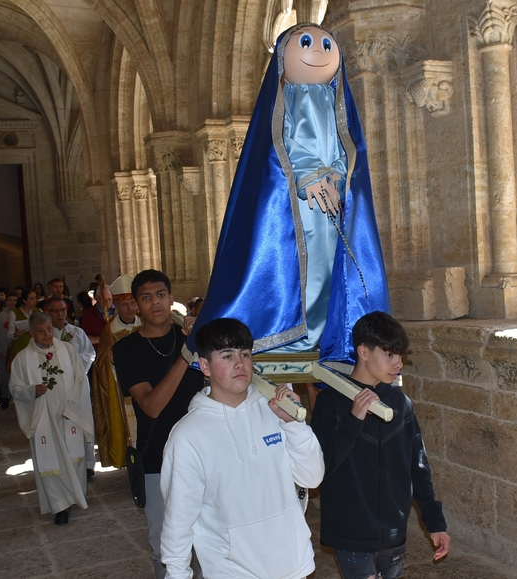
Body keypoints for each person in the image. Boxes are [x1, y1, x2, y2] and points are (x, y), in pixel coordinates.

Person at [184, 23, 390, 366]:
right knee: (303, 265)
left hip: (332, 199)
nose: (319, 50)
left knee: (330, 264)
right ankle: (296, 330)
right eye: (306, 42)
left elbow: (349, 147)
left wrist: (339, 175)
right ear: (283, 55)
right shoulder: (286, 98)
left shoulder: (336, 101)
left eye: (327, 44)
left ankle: (325, 330)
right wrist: (309, 174)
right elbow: (279, 141)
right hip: (298, 202)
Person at [160, 318, 324, 579]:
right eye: (227, 356)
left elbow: (312, 477)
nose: (240, 364)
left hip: (293, 566)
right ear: (205, 366)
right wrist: (177, 573)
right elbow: (178, 520)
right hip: (231, 572)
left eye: (245, 354)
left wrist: (294, 425)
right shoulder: (187, 436)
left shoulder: (276, 410)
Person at [311, 311, 450, 578]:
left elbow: (418, 468)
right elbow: (320, 469)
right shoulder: (331, 402)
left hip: (394, 533)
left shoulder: (400, 404)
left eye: (400, 355)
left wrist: (435, 523)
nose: (398, 363)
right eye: (389, 354)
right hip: (351, 535)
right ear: (363, 352)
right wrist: (354, 420)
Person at [112, 269, 205, 579]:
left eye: (161, 295)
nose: (155, 303)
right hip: (157, 457)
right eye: (146, 297)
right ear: (136, 305)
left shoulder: (192, 339)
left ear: (171, 298)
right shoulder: (126, 349)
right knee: (166, 543)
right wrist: (185, 355)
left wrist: (199, 340)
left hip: (203, 453)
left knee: (209, 537)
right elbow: (151, 406)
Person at [9, 312, 94, 525]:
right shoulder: (22, 359)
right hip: (43, 419)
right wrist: (32, 391)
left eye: (49, 329)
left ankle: (74, 496)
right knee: (51, 460)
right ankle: (60, 506)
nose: (47, 334)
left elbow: (81, 381)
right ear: (31, 333)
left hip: (68, 413)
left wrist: (74, 408)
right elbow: (16, 389)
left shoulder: (68, 350)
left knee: (72, 457)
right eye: (41, 331)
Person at [46, 295, 98, 480]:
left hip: (78, 384)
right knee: (61, 425)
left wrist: (72, 366)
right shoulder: (45, 335)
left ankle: (88, 464)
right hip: (56, 388)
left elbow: (89, 354)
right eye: (55, 311)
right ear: (48, 313)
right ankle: (65, 462)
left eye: (63, 310)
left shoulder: (77, 332)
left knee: (82, 422)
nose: (60, 314)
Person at [0, 291, 19, 409]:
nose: (13, 302)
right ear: (6, 302)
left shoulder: (20, 315)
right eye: (10, 300)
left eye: (15, 300)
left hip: (18, 351)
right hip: (4, 351)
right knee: (4, 376)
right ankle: (6, 396)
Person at [110, 274, 142, 341]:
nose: (130, 308)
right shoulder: (110, 329)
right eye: (125, 305)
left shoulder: (144, 322)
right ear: (117, 306)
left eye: (132, 303)